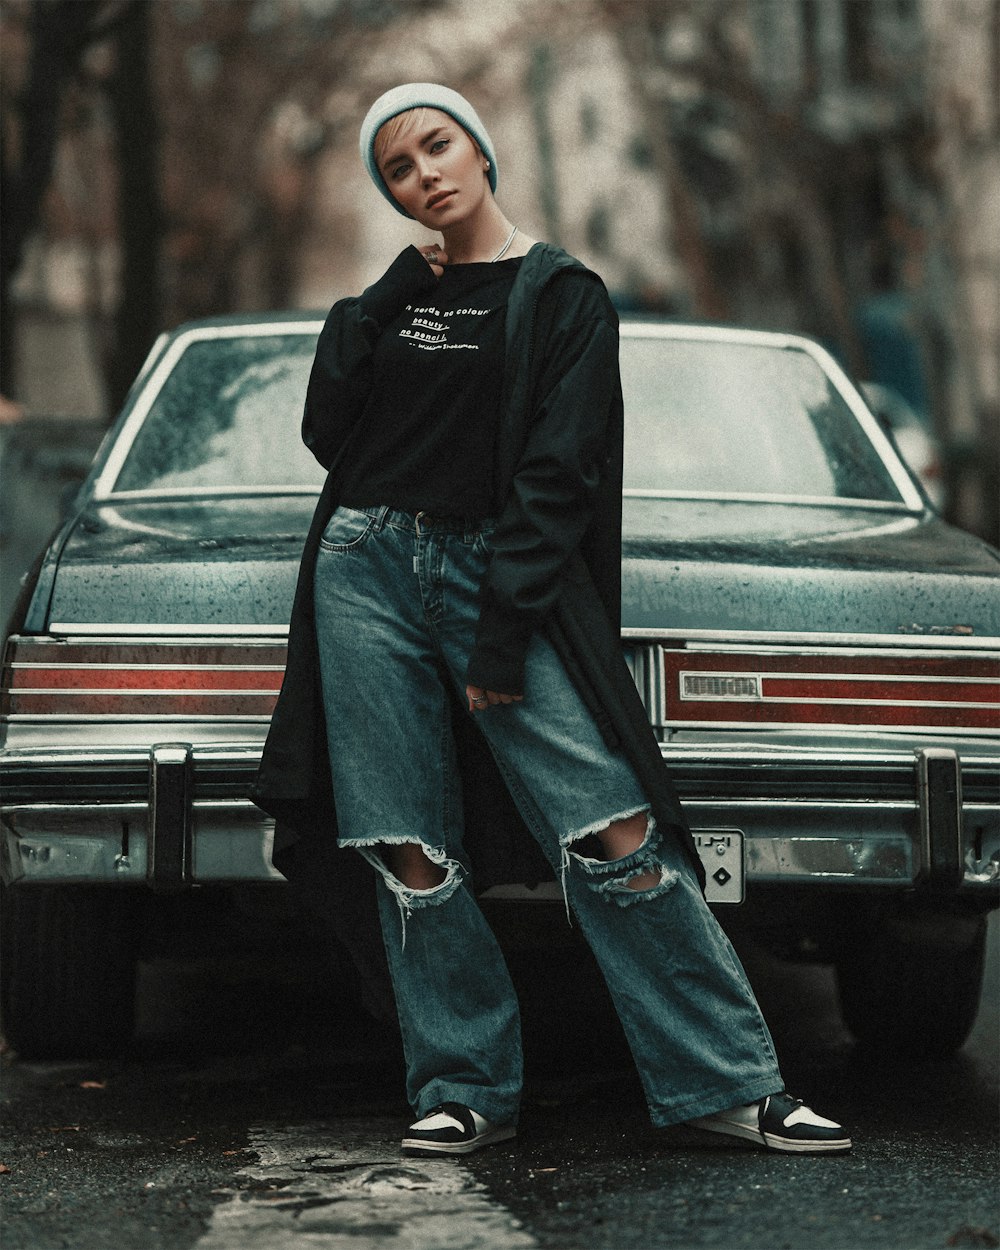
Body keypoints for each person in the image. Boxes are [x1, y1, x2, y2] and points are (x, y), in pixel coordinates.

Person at [254, 82, 851, 1158]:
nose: (423, 172)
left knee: (608, 827)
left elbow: (558, 473)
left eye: (436, 144)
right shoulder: (387, 300)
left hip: (494, 570)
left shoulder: (563, 294)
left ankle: (730, 1081)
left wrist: (499, 628)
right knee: (407, 846)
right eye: (397, 167)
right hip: (363, 566)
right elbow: (325, 426)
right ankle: (464, 1083)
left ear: (480, 147)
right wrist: (392, 287)